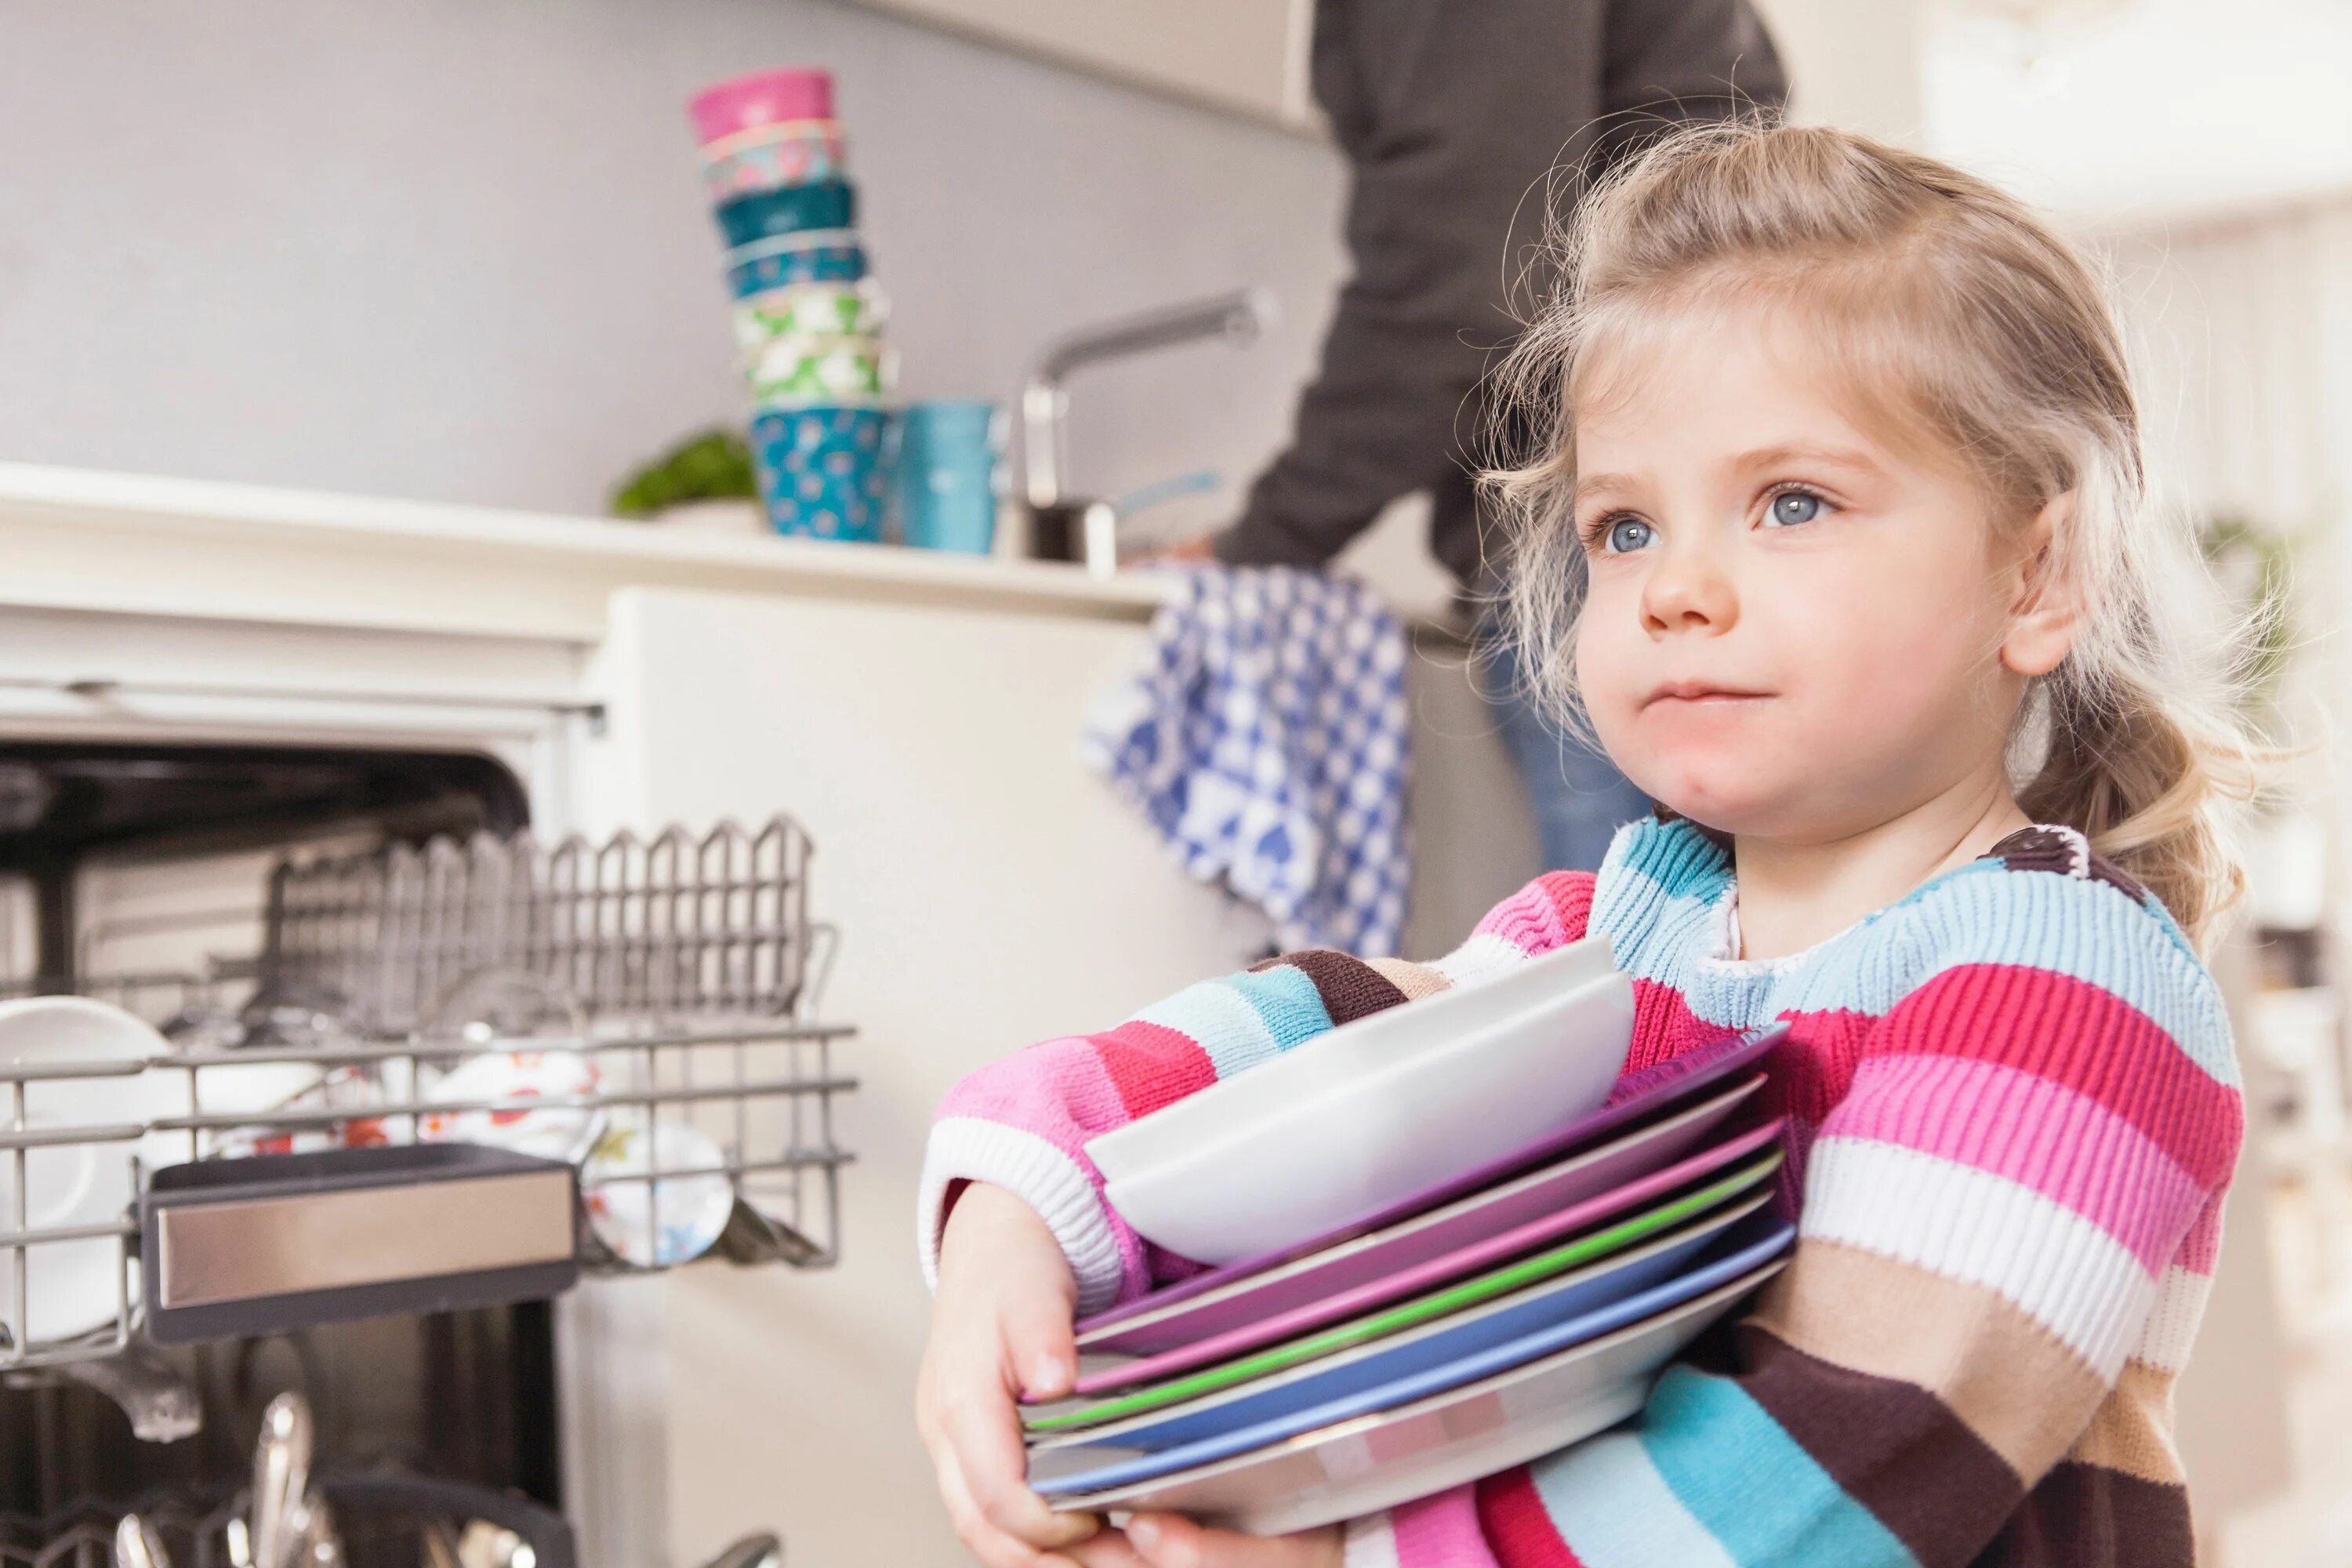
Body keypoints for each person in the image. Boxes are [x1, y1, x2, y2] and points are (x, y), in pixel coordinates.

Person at [917, 122, 2256, 1568]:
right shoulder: (1622, 931)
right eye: (1624, 527)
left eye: (1792, 502)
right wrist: (1024, 1203)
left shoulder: (2068, 979)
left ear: (2038, 574)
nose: (1677, 585)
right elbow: (1318, 1044)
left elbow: (1824, 1472)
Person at [1185, 0, 1787, 872]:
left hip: (1614, 542)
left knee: (1652, 969)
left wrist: (1268, 536)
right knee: (1745, 957)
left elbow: (1463, 275)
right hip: (1691, 509)